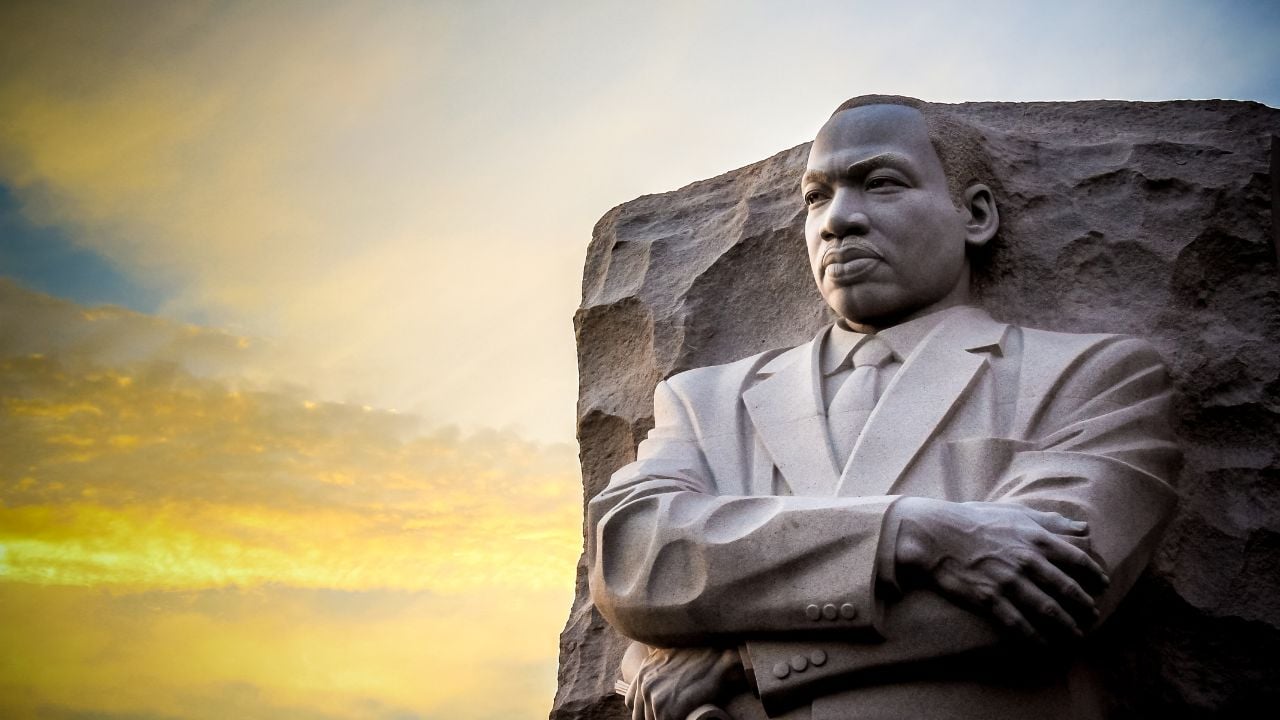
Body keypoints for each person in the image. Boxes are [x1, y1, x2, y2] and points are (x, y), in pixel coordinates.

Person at [586, 95, 1181, 720]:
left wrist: (741, 658)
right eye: (817, 196)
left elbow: (1057, 588)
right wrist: (911, 532)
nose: (838, 220)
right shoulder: (706, 400)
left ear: (974, 215)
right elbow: (632, 560)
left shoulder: (1090, 376)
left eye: (882, 183)